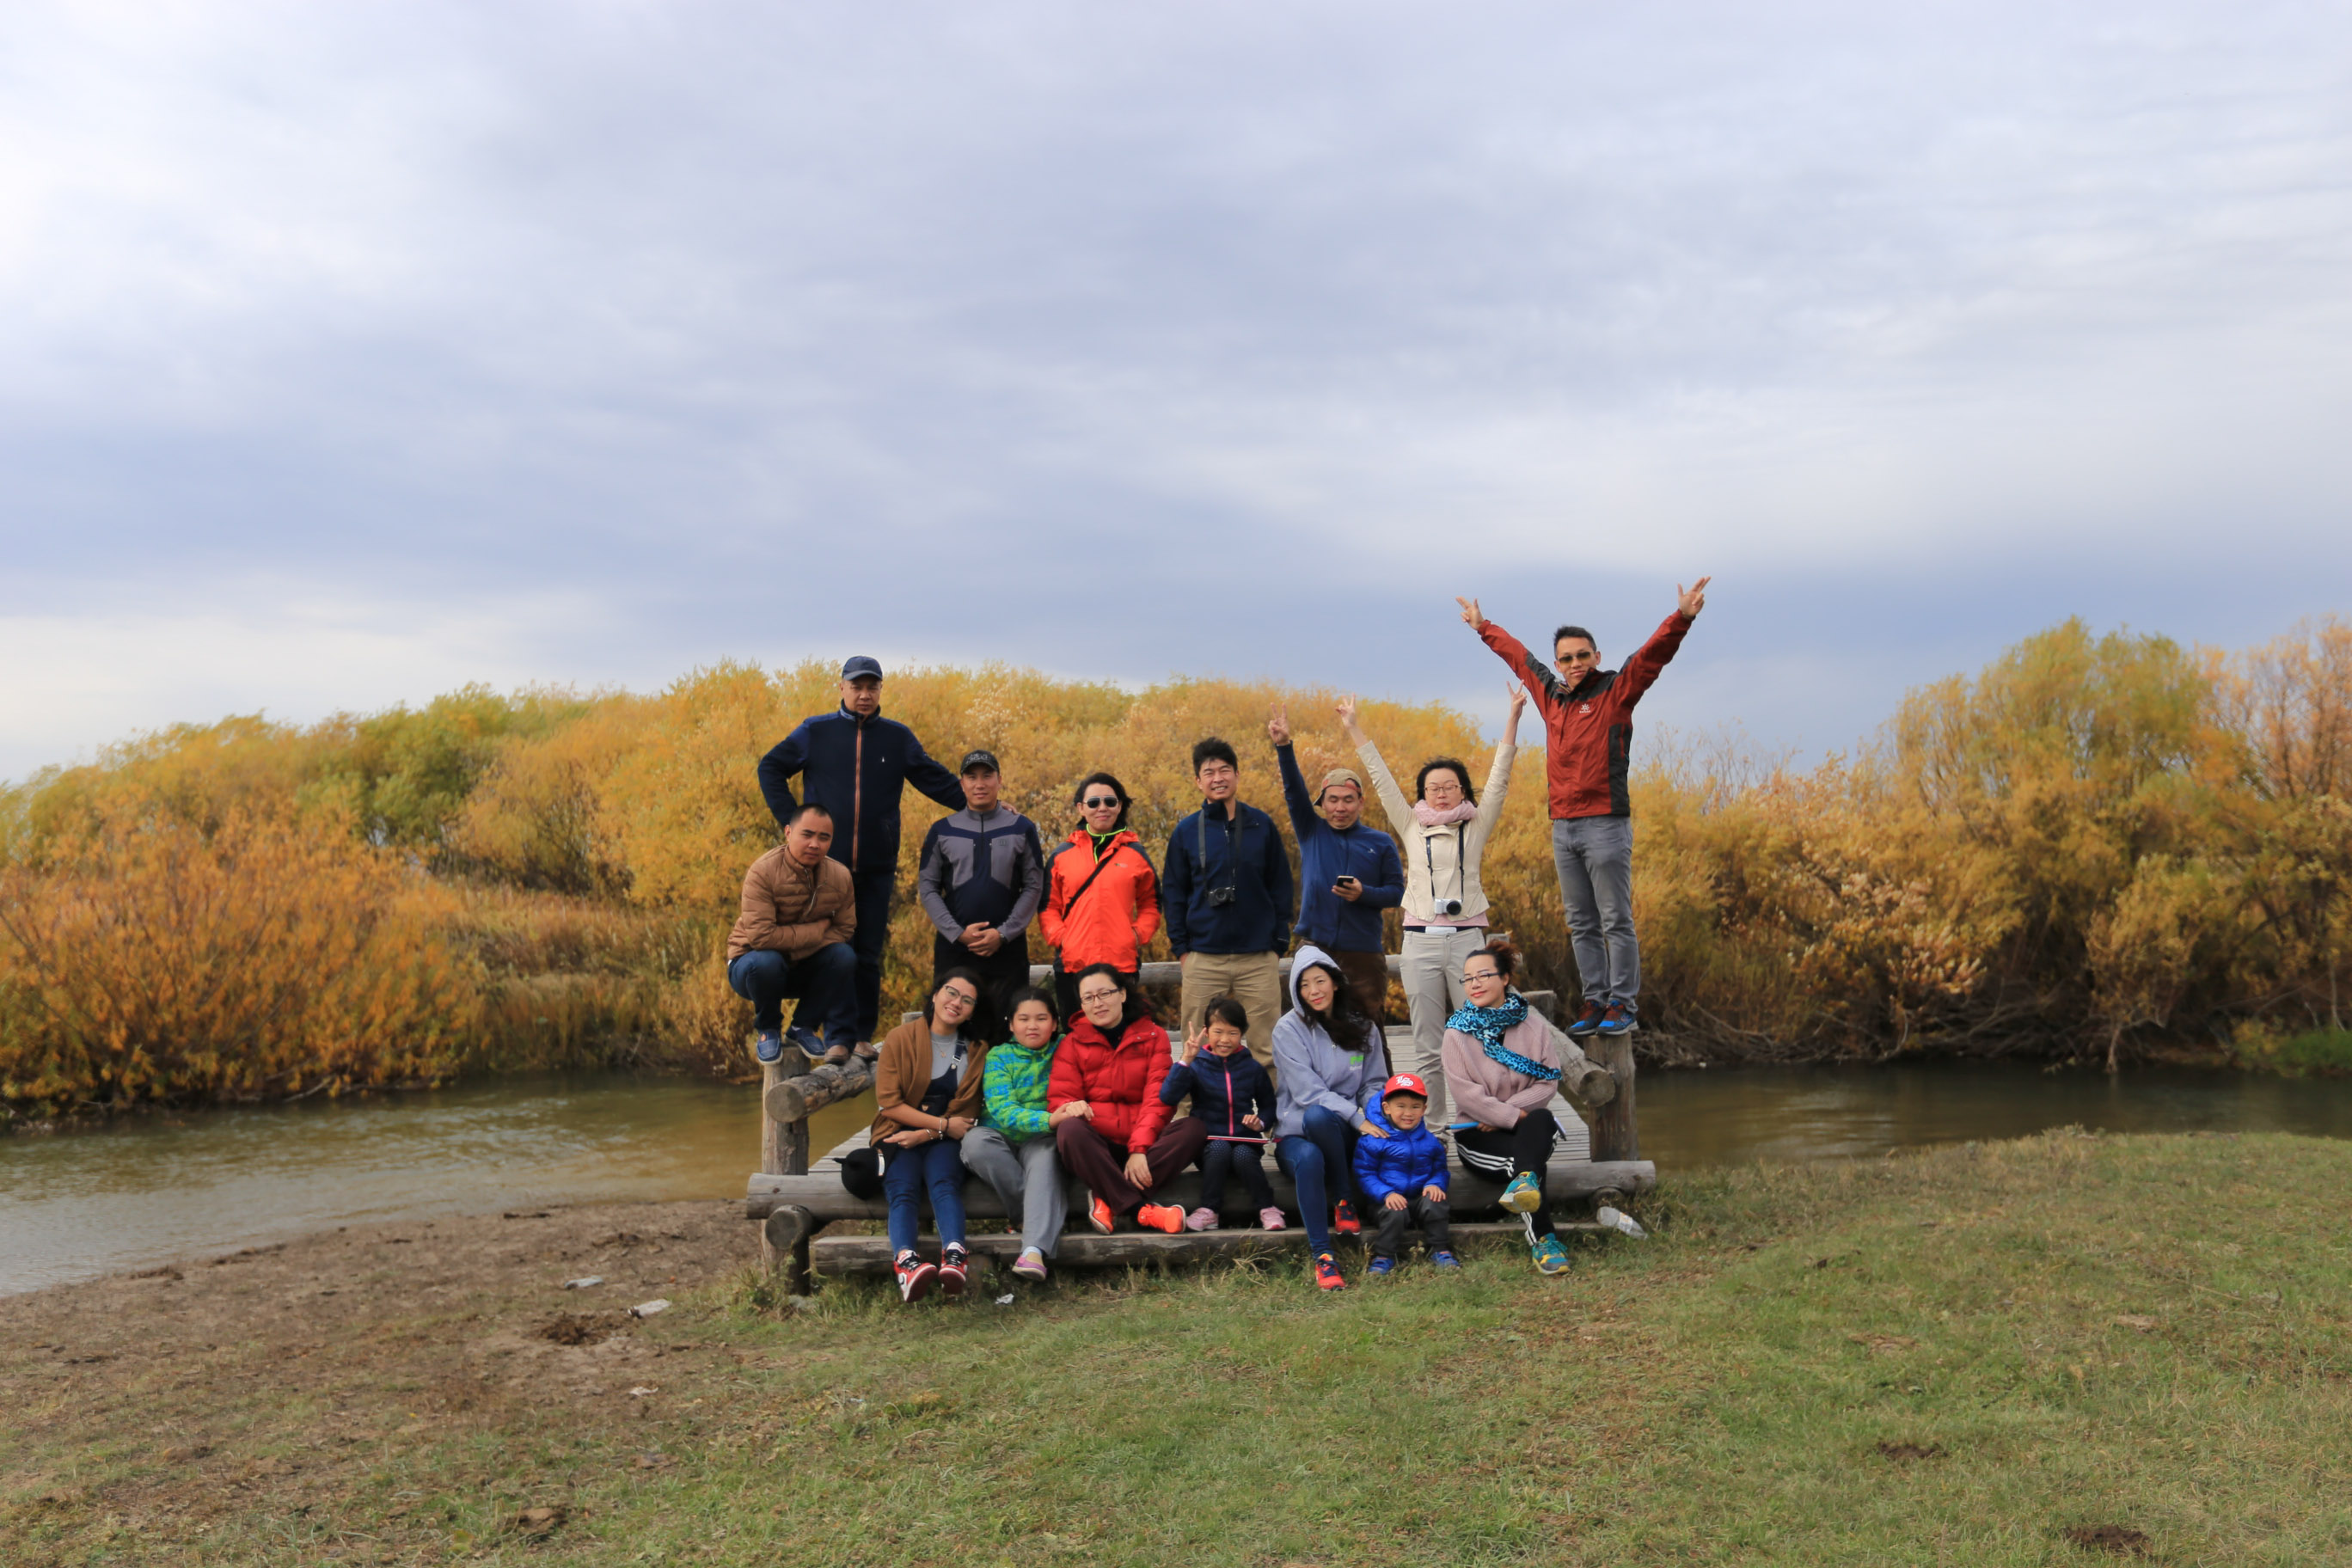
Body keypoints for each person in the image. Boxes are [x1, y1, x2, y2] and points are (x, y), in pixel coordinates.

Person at [1461, 579, 1711, 1038]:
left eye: (1583, 655)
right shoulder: (1551, 697)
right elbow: (1518, 657)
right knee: (1581, 922)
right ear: (1557, 663)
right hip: (1564, 826)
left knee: (1616, 917)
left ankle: (1623, 1003)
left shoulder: (1617, 691)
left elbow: (1653, 655)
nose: (1575, 664)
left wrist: (1683, 617)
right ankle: (1594, 999)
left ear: (1596, 657)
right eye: (1566, 658)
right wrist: (1482, 627)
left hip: (1606, 823)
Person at [757, 656, 968, 1060]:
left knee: (869, 952)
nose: (864, 695)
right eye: (857, 687)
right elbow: (771, 767)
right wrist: (794, 824)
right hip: (825, 867)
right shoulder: (815, 732)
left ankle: (859, 1036)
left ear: (880, 691)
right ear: (842, 688)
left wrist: (982, 804)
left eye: (872, 687)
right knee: (836, 950)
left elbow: (934, 779)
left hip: (876, 864)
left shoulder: (896, 738)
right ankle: (837, 1037)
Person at [1340, 686, 1524, 1127]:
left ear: (1462, 790)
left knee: (1479, 1036)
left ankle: (1479, 1119)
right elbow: (1381, 779)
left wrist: (1514, 716)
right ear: (1422, 793)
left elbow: (1499, 779)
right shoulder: (1410, 824)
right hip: (1419, 942)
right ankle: (1436, 1128)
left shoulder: (1475, 825)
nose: (1441, 794)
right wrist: (1353, 727)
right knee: (1428, 1043)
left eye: (1450, 787)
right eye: (1433, 788)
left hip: (1468, 943)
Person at [1440, 940, 1618, 1277]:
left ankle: (1531, 1203)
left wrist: (1505, 1114)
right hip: (1476, 1135)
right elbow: (1467, 1097)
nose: (1474, 984)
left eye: (1484, 975)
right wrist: (1510, 1117)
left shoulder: (1532, 1025)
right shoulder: (1456, 1034)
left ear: (1505, 978)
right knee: (1524, 1165)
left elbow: (1547, 1084)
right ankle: (1545, 1240)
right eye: (1468, 979)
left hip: (1524, 1126)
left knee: (1542, 1120)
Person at [1162, 738, 1294, 1068]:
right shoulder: (1186, 831)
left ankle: (1272, 1117)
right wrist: (1182, 949)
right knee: (1196, 1045)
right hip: (1203, 956)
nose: (1218, 778)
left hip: (1258, 956)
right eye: (1209, 772)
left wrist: (1278, 941)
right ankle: (1190, 1117)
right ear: (1198, 781)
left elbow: (1281, 884)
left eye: (1224, 770)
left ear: (1237, 774)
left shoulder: (1260, 824)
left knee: (1267, 1047)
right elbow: (1174, 893)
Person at [1049, 964, 1210, 1235]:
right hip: (1098, 1148)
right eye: (1088, 998)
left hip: (1146, 1147)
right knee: (1069, 1129)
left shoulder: (1153, 1036)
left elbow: (1158, 1099)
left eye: (1105, 994)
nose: (1097, 1003)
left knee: (1194, 1129)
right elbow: (1061, 1098)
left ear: (1122, 994)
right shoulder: (1071, 1043)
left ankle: (1106, 1196)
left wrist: (1139, 1150)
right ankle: (1142, 1212)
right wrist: (1071, 1106)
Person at [1267, 703, 1404, 1021]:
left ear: (1360, 803)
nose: (1340, 807)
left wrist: (1363, 894)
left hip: (1363, 952)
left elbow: (1397, 893)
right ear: (1322, 803)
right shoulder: (1311, 830)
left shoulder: (1380, 842)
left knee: (1369, 1027)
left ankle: (1376, 1075)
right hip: (1316, 946)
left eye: (1348, 800)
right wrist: (1284, 745)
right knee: (1313, 1026)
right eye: (1333, 800)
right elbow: (1292, 791)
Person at [1269, 944, 1391, 1292]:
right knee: (1311, 1142)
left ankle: (1344, 1202)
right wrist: (1356, 1116)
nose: (1313, 991)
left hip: (1342, 1131)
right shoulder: (1288, 1030)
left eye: (1319, 981)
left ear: (1335, 982)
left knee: (1324, 1119)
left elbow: (1373, 1083)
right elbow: (1308, 1094)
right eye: (1304, 985)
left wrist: (1376, 1116)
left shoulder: (1363, 1026)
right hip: (1297, 1132)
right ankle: (1324, 1257)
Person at [870, 971, 994, 1303]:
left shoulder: (977, 1051)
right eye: (952, 993)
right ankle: (907, 1264)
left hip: (946, 1138)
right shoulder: (899, 1038)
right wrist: (935, 1128)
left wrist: (927, 1134)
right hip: (897, 1133)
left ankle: (955, 1255)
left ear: (972, 1010)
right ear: (936, 994)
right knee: (903, 1188)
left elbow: (964, 1113)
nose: (957, 1003)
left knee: (944, 1182)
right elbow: (889, 1103)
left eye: (967, 1001)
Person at [916, 750, 1046, 1032]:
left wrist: (1004, 933)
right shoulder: (941, 830)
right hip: (955, 949)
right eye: (971, 777)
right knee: (952, 1029)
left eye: (987, 776)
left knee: (1006, 1029)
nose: (980, 783)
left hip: (1007, 950)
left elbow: (1035, 885)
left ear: (1000, 780)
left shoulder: (1022, 828)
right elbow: (927, 886)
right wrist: (956, 932)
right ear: (961, 783)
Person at [724, 804, 859, 1064]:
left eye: (824, 837)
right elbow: (762, 939)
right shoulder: (762, 871)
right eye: (806, 835)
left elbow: (844, 930)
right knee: (768, 960)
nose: (814, 844)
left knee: (844, 956)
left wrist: (797, 947)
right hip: (751, 968)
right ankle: (768, 1029)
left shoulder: (840, 876)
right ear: (788, 832)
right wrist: (817, 931)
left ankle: (802, 1027)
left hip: (799, 969)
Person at [960, 986, 1072, 1283]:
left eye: (1041, 1018)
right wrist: (1050, 1119)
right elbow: (1002, 1108)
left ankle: (1033, 1251)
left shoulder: (1065, 1047)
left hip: (1042, 1140)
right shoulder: (999, 1056)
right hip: (1003, 1135)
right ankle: (1032, 1213)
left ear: (1054, 1022)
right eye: (1023, 1019)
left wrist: (1051, 1124)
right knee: (974, 1143)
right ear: (1011, 1024)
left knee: (1047, 1158)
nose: (1032, 1026)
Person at [1037, 772, 1161, 1022]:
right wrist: (1063, 939)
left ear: (1120, 806)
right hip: (1073, 964)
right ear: (1081, 808)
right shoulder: (1061, 855)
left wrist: (1136, 935)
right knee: (1078, 1042)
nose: (1102, 808)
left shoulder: (1135, 854)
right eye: (1094, 803)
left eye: (1110, 801)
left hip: (1121, 964)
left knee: (1123, 1040)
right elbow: (1047, 907)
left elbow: (1152, 903)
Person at [1159, 995, 1283, 1232]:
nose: (1225, 1040)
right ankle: (1209, 1210)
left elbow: (1269, 1106)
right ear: (1206, 1031)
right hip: (1208, 1144)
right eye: (1218, 1032)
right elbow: (1168, 1097)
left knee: (1244, 1155)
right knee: (1219, 1148)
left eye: (1233, 1033)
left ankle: (1267, 1207)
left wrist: (1261, 1122)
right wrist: (1185, 1060)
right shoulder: (1196, 1065)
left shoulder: (1252, 1067)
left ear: (1243, 1033)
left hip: (1245, 1139)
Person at [1353, 1073, 1456, 1276]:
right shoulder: (1373, 1140)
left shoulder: (1430, 1141)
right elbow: (1365, 1174)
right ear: (1387, 1108)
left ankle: (1440, 1249)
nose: (1408, 1113)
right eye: (1401, 1106)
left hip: (1420, 1197)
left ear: (1424, 1110)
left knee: (1436, 1204)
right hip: (1385, 1200)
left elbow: (1440, 1169)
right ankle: (1383, 1255)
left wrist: (1435, 1183)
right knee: (1394, 1214)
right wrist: (1386, 1193)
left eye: (1415, 1107)